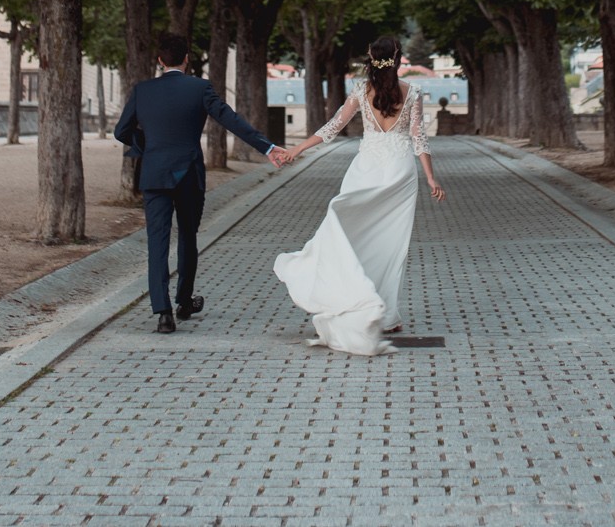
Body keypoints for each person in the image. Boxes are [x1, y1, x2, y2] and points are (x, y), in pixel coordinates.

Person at [272, 35, 446, 355]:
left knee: (350, 232)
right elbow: (418, 138)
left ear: (371, 59)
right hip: (400, 172)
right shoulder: (413, 92)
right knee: (392, 247)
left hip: (365, 169)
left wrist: (297, 149)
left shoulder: (360, 91)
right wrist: (431, 177)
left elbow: (332, 127)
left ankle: (356, 297)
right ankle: (387, 315)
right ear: (398, 59)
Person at [114, 31, 289, 334]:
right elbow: (230, 119)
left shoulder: (143, 90)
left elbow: (121, 131)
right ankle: (184, 301)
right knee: (188, 237)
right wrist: (267, 147)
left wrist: (147, 145)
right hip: (188, 174)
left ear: (160, 61)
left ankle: (163, 313)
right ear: (186, 59)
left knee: (157, 242)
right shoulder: (199, 88)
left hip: (155, 174)